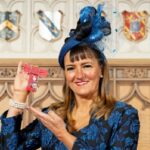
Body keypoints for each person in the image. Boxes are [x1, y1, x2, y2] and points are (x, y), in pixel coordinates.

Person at [0, 4, 140, 150]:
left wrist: (63, 134)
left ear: (101, 70)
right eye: (71, 68)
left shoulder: (124, 115)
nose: (79, 75)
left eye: (86, 66)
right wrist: (18, 96)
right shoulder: (53, 115)